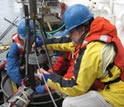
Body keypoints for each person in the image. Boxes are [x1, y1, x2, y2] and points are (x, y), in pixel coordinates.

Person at [36, 4, 124, 107]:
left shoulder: (92, 51)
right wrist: (43, 43)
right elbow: (67, 42)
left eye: (71, 32)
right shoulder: (97, 34)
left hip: (117, 98)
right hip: (114, 88)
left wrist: (48, 79)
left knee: (69, 103)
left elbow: (76, 86)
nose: (70, 36)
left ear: (82, 29)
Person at [6, 19, 34, 86]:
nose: (30, 41)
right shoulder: (15, 47)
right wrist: (21, 83)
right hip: (20, 65)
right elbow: (12, 69)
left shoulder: (36, 39)